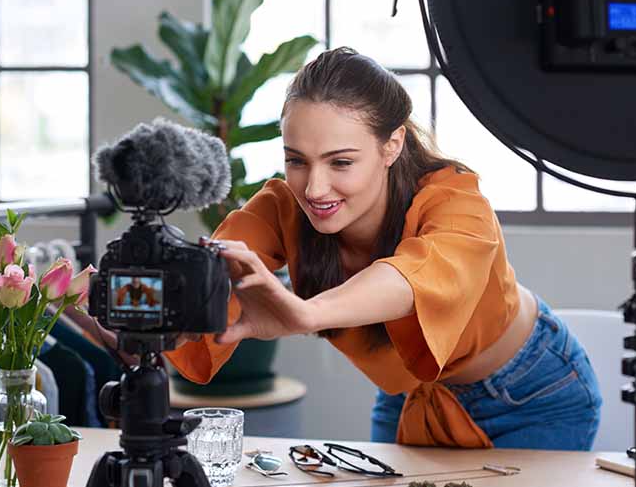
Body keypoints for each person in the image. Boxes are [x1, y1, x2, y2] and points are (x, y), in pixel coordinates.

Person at [165, 47, 602, 449]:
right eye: (296, 160)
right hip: (411, 393)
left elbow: (416, 277)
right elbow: (209, 266)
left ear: (391, 145)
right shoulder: (282, 207)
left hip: (529, 392)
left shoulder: (457, 201)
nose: (314, 188)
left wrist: (306, 313)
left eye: (341, 162)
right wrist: (142, 314)